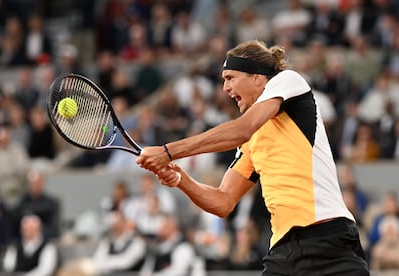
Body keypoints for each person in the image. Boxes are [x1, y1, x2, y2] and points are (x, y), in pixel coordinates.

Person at [137, 39, 370, 275]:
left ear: (257, 77)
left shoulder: (288, 81)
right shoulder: (250, 141)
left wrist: (168, 151)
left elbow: (242, 128)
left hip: (330, 240)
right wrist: (181, 179)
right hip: (284, 251)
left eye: (230, 78)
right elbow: (223, 201)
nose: (225, 89)